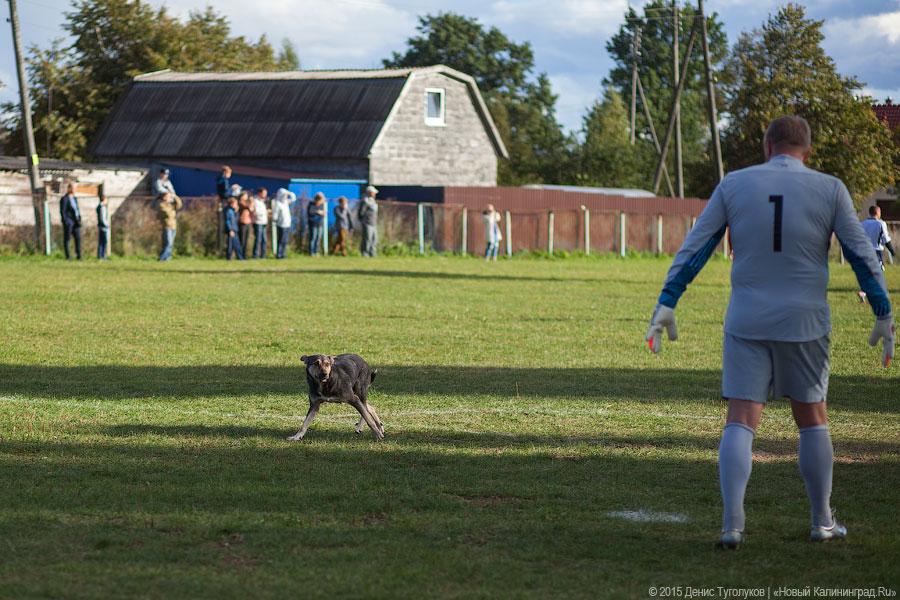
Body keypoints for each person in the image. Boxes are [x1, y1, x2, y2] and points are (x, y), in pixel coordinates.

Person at [645, 116, 894, 549]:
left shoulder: (735, 184)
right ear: (808, 150)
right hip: (806, 322)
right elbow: (861, 255)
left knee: (740, 420)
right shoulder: (830, 187)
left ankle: (732, 525)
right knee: (813, 419)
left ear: (766, 145)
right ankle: (822, 520)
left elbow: (696, 247)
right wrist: (883, 311)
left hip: (747, 319)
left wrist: (668, 300)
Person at [157, 191, 182, 261]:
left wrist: (175, 197)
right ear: (164, 197)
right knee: (168, 243)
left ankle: (168, 258)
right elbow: (168, 214)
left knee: (171, 243)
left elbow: (179, 205)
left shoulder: (171, 205)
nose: (169, 198)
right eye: (168, 196)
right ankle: (162, 258)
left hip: (173, 226)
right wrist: (172, 208)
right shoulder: (161, 204)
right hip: (167, 226)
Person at [59, 182, 82, 260]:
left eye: (75, 188)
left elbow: (77, 210)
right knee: (67, 239)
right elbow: (63, 211)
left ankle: (79, 255)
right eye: (73, 188)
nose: (74, 189)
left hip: (76, 222)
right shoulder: (64, 199)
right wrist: (66, 222)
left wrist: (79, 218)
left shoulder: (75, 198)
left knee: (78, 238)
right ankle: (68, 256)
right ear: (69, 188)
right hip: (69, 223)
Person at [272, 188, 296, 259]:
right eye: (284, 195)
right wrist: (275, 220)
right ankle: (279, 254)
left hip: (287, 224)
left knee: (285, 240)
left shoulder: (286, 202)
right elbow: (275, 214)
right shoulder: (278, 203)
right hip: (281, 225)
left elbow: (293, 198)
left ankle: (283, 254)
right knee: (281, 240)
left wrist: (289, 193)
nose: (285, 196)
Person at [358, 185, 379, 257]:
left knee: (374, 239)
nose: (375, 194)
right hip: (367, 223)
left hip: (374, 223)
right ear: (370, 192)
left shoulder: (372, 200)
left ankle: (372, 253)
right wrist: (363, 221)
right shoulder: (365, 201)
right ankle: (365, 253)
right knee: (367, 239)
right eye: (373, 192)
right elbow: (361, 212)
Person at [224, 196, 244, 260]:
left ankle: (240, 258)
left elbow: (236, 220)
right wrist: (230, 230)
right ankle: (229, 258)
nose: (237, 205)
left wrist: (236, 212)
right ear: (232, 204)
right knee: (230, 245)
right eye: (236, 204)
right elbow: (227, 221)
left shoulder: (233, 211)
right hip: (232, 231)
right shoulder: (228, 211)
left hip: (235, 230)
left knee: (237, 245)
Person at [251, 188, 270, 258]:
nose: (265, 195)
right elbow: (256, 212)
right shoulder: (255, 201)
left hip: (264, 222)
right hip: (258, 222)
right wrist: (265, 212)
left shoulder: (263, 202)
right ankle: (255, 255)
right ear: (259, 193)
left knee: (264, 240)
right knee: (258, 239)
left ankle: (263, 255)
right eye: (264, 193)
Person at [237, 190, 252, 256]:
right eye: (245, 195)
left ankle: (244, 254)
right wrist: (251, 202)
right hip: (242, 223)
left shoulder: (247, 202)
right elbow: (248, 207)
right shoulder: (240, 202)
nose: (247, 197)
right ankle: (240, 255)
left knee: (246, 240)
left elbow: (251, 209)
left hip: (248, 222)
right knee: (242, 240)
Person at [96, 195, 110, 260]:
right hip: (103, 226)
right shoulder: (102, 207)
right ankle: (102, 256)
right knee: (103, 242)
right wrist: (106, 224)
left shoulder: (99, 206)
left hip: (100, 226)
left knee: (101, 242)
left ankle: (101, 256)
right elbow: (103, 218)